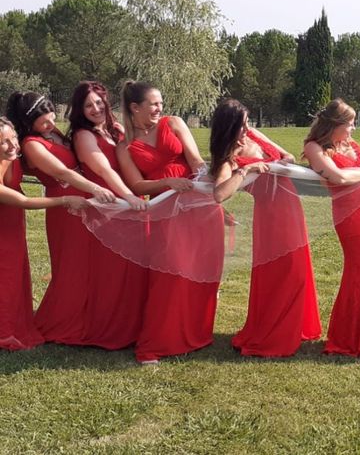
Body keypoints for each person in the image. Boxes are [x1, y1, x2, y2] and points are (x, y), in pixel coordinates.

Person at [116, 80, 224, 364]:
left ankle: (194, 335)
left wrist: (208, 182)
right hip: (164, 211)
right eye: (153, 104)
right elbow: (137, 185)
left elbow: (196, 160)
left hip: (198, 205)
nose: (159, 108)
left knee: (200, 270)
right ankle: (157, 343)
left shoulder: (174, 123)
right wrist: (166, 183)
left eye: (160, 103)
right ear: (134, 107)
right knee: (169, 274)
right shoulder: (124, 146)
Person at [210, 99, 321, 357]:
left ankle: (294, 327)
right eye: (242, 125)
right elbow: (219, 194)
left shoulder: (255, 137)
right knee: (283, 273)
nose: (247, 129)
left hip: (291, 207)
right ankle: (275, 334)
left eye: (248, 123)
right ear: (230, 127)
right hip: (271, 218)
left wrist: (272, 165)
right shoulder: (229, 158)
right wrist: (246, 170)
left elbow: (289, 157)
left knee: (299, 270)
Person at [6, 91, 117, 346]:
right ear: (28, 123)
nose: (50, 122)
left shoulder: (54, 132)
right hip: (67, 208)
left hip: (87, 201)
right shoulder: (32, 144)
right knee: (72, 267)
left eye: (51, 115)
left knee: (92, 265)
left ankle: (90, 318)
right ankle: (63, 322)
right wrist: (96, 188)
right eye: (43, 121)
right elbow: (63, 172)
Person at [303, 99, 360, 357]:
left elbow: (359, 169)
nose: (353, 129)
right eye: (350, 124)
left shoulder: (348, 144)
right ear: (334, 125)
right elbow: (338, 177)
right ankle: (351, 336)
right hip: (350, 216)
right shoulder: (314, 147)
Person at [67, 81, 149, 350]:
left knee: (135, 269)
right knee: (114, 273)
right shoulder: (83, 135)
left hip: (129, 205)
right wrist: (128, 197)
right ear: (79, 110)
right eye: (88, 105)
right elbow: (105, 171)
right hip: (108, 209)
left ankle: (135, 325)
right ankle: (111, 329)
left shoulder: (116, 129)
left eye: (99, 102)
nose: (95, 108)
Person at [0, 116, 88, 351]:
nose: (13, 146)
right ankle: (3, 331)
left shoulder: (14, 157)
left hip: (12, 225)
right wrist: (65, 199)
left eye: (14, 138)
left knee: (15, 275)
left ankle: (11, 324)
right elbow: (24, 200)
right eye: (4, 142)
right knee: (5, 276)